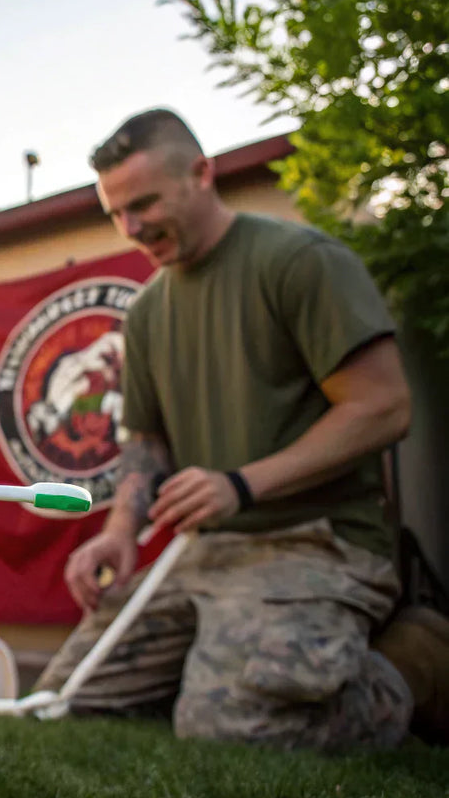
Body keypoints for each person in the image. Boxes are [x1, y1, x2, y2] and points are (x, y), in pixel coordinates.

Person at [33, 108, 449, 750]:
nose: (132, 227)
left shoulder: (299, 261)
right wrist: (119, 533)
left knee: (229, 727)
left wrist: (241, 486)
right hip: (202, 553)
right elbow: (145, 445)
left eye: (143, 203)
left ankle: (414, 657)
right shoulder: (144, 315)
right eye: (116, 213)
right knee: (70, 699)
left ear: (202, 173)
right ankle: (234, 663)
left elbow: (384, 407)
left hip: (320, 542)